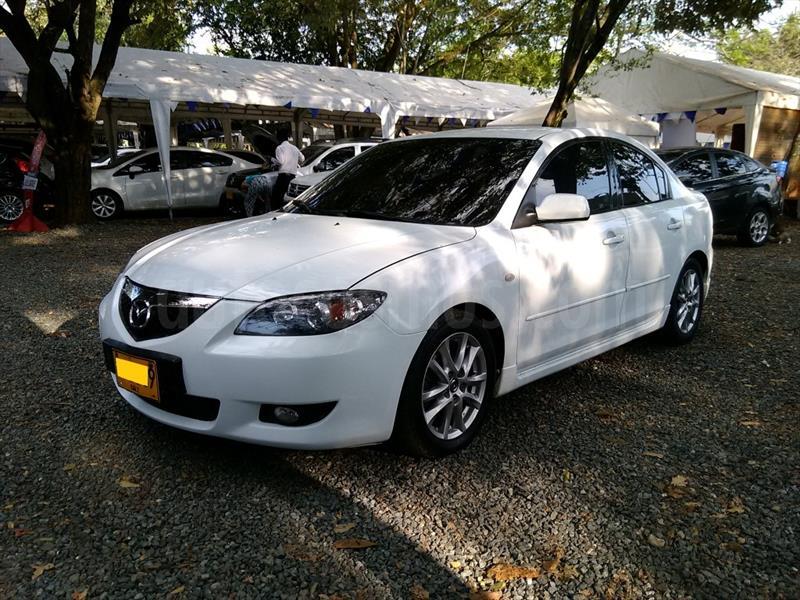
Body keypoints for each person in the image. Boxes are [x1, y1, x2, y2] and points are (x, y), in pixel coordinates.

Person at [271, 129, 304, 211]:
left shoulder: (279, 148)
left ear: (279, 138)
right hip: (292, 176)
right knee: (288, 198)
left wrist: (272, 160)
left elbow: (280, 161)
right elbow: (302, 159)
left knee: (276, 197)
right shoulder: (295, 148)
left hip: (283, 177)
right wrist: (295, 161)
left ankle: (276, 213)